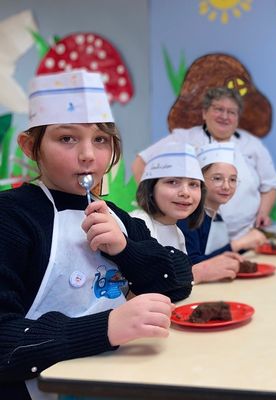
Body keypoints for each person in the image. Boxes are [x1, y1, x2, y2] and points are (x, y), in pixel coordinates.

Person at [0, 70, 193, 400]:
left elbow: (178, 281)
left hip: (120, 380)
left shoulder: (116, 215)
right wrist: (105, 327)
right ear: (31, 146)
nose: (89, 154)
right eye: (67, 138)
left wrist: (125, 250)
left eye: (101, 139)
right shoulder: (12, 216)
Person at [132, 87, 276, 239]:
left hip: (246, 234)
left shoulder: (252, 144)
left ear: (237, 117)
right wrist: (153, 202)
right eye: (218, 109)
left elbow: (269, 185)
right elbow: (140, 162)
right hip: (196, 232)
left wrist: (263, 214)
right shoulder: (184, 138)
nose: (225, 116)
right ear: (204, 112)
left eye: (231, 112)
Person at [177, 142, 267, 263]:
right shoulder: (188, 218)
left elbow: (218, 253)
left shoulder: (217, 216)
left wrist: (247, 245)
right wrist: (238, 244)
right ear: (199, 181)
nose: (226, 186)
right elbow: (192, 265)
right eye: (217, 178)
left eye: (233, 180)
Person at [131, 142, 205, 252]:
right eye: (172, 182)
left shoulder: (177, 233)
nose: (185, 192)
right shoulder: (138, 225)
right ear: (150, 188)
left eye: (193, 184)